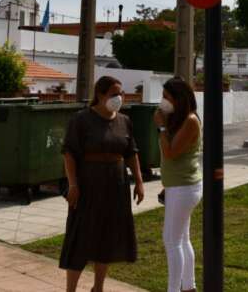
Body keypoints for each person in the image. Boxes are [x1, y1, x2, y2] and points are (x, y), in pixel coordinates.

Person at [60, 76, 145, 292]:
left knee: (107, 236)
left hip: (116, 186)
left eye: (121, 93)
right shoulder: (81, 119)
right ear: (100, 94)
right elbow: (69, 153)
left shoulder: (124, 121)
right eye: (114, 94)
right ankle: (71, 289)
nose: (119, 98)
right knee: (81, 236)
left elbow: (131, 153)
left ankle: (98, 287)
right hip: (88, 185)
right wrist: (73, 185)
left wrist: (139, 181)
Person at [154, 77, 203, 292]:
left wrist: (162, 128)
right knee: (182, 239)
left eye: (167, 97)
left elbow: (171, 153)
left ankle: (175, 290)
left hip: (184, 187)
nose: (163, 101)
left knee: (171, 241)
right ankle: (189, 287)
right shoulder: (180, 119)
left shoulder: (190, 121)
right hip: (179, 186)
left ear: (179, 99)